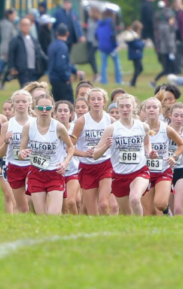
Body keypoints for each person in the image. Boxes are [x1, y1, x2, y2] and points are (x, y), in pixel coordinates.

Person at [93, 94, 150, 216]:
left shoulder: (143, 127)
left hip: (139, 171)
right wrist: (106, 146)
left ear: (134, 107)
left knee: (134, 199)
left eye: (128, 106)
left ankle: (141, 228)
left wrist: (149, 153)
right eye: (122, 107)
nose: (125, 109)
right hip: (119, 175)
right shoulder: (111, 129)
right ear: (118, 108)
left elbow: (147, 142)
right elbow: (95, 155)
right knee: (126, 214)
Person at [19, 94, 74, 215]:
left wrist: (65, 163)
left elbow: (71, 147)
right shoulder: (28, 127)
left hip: (55, 173)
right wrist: (22, 153)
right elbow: (20, 151)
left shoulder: (58, 127)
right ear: (35, 108)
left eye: (48, 108)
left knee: (53, 215)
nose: (44, 111)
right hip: (36, 173)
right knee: (41, 216)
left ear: (53, 109)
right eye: (41, 108)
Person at [70, 87, 114, 216]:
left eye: (99, 99)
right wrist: (84, 154)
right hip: (87, 167)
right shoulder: (82, 121)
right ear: (88, 102)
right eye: (93, 99)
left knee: (104, 204)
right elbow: (70, 147)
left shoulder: (110, 120)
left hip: (106, 164)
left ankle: (108, 231)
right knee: (92, 211)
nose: (96, 102)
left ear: (104, 101)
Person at [141, 98, 183, 215]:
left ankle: (167, 212)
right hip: (144, 173)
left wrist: (173, 157)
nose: (151, 110)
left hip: (163, 171)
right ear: (144, 111)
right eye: (148, 107)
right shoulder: (139, 128)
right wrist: (146, 154)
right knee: (149, 212)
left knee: (160, 204)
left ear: (160, 111)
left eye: (154, 107)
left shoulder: (166, 128)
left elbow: (182, 144)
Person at [0, 89, 34, 213]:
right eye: (17, 101)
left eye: (24, 101)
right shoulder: (7, 125)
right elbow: (0, 153)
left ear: (30, 103)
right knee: (22, 207)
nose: (21, 104)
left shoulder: (36, 123)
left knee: (32, 200)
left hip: (33, 166)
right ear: (13, 104)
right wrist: (6, 142)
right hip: (14, 166)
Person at [54, 101, 81, 215]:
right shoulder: (50, 128)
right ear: (55, 114)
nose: (63, 114)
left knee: (71, 202)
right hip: (56, 171)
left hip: (73, 170)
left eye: (66, 111)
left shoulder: (76, 128)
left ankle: (76, 224)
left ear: (71, 114)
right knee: (63, 207)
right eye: (60, 111)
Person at [167, 102, 183, 216]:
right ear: (170, 115)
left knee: (178, 209)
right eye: (176, 115)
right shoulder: (164, 131)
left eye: (182, 116)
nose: (179, 119)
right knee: (168, 209)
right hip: (165, 171)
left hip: (181, 171)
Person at [8, 18, 44, 86]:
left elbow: (38, 54)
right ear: (20, 26)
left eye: (28, 25)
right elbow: (11, 55)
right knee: (25, 89)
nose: (26, 27)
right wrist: (12, 67)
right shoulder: (16, 40)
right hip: (22, 70)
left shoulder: (34, 40)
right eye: (24, 25)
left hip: (34, 70)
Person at [48, 24, 75, 103]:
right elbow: (60, 65)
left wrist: (74, 70)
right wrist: (66, 78)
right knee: (68, 104)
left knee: (56, 103)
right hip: (61, 81)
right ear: (67, 34)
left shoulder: (52, 45)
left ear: (56, 33)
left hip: (53, 79)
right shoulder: (62, 47)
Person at [96, 9, 121, 85]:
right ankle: (118, 80)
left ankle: (104, 80)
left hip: (102, 46)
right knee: (116, 63)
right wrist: (116, 45)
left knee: (103, 64)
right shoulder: (111, 22)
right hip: (111, 46)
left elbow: (96, 34)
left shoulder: (99, 23)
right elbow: (113, 35)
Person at [122, 21, 147, 87]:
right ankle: (132, 83)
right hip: (136, 54)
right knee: (138, 69)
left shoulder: (131, 35)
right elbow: (137, 45)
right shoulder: (133, 36)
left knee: (140, 68)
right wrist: (143, 43)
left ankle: (132, 81)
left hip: (134, 54)